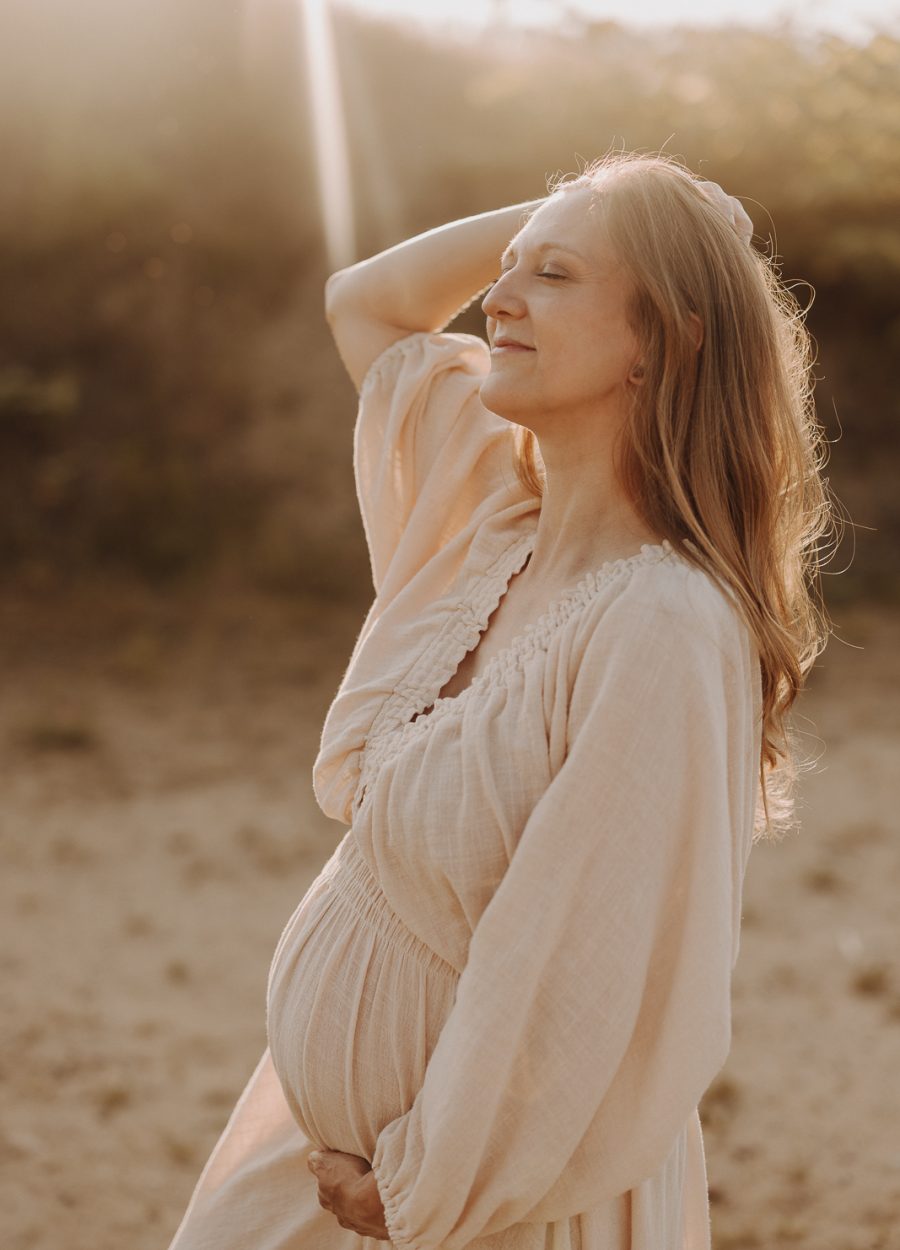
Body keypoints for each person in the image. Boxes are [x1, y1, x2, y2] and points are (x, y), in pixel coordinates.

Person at [165, 152, 832, 1250]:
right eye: (505, 270)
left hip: (490, 1200)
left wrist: (432, 1184)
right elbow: (368, 301)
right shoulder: (489, 520)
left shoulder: (660, 625)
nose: (496, 297)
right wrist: (592, 211)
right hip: (322, 1161)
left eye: (554, 276)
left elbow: (583, 965)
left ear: (665, 336)